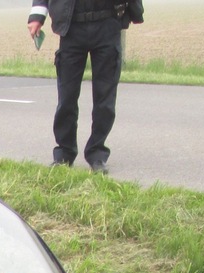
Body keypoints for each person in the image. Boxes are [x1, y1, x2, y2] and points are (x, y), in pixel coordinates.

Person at [27, 1, 143, 174]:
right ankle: (64, 154)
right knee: (67, 98)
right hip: (72, 27)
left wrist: (136, 10)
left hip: (108, 23)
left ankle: (97, 154)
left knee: (105, 99)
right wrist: (37, 16)